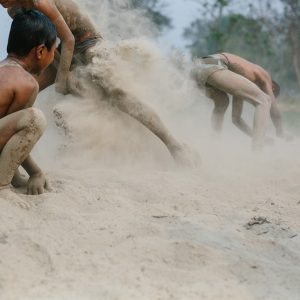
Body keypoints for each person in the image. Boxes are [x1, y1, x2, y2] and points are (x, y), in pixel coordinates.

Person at [2, 0, 194, 166]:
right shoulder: (14, 10)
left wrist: (62, 78)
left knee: (117, 93)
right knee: (25, 87)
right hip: (58, 51)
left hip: (88, 43)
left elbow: (68, 38)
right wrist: (64, 74)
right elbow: (46, 43)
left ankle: (172, 143)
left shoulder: (39, 3)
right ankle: (14, 153)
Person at [0, 9, 56, 194]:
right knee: (34, 119)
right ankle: (2, 187)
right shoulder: (27, 83)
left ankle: (11, 178)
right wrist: (36, 172)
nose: (53, 57)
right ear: (41, 51)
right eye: (53, 50)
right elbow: (12, 135)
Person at [192, 52, 274, 150]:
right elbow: (273, 107)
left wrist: (255, 135)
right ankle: (258, 153)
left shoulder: (242, 80)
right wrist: (279, 131)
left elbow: (236, 119)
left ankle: (214, 145)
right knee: (264, 100)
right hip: (212, 64)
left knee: (222, 103)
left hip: (197, 68)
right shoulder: (258, 75)